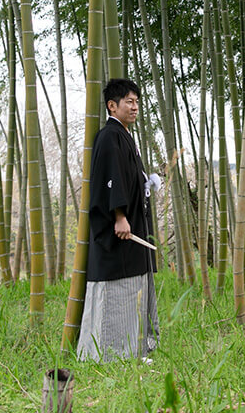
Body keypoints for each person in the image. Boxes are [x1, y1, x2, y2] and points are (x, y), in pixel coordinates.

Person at [78, 78, 159, 362]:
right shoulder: (110, 136)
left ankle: (134, 350)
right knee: (119, 293)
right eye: (129, 102)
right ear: (112, 105)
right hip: (120, 230)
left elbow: (127, 176)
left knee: (134, 288)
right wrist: (120, 216)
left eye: (137, 102)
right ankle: (114, 354)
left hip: (132, 227)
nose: (135, 107)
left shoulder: (124, 135)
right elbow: (110, 179)